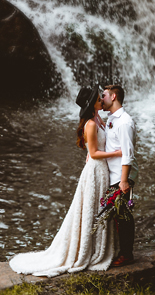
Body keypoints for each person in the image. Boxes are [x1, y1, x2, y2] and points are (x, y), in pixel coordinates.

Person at [8, 86, 121, 276]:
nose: (102, 99)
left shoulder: (98, 119)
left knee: (96, 209)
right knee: (91, 209)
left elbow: (92, 150)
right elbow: (93, 153)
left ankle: (98, 246)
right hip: (96, 171)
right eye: (98, 98)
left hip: (101, 170)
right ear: (92, 103)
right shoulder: (91, 124)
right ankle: (87, 250)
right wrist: (117, 153)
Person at [100, 83, 137, 266]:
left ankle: (127, 254)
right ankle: (119, 250)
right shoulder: (111, 118)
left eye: (104, 95)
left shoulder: (124, 122)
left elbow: (127, 153)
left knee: (123, 216)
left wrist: (124, 181)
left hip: (121, 176)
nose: (101, 98)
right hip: (113, 173)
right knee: (116, 215)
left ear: (113, 97)